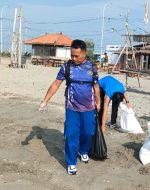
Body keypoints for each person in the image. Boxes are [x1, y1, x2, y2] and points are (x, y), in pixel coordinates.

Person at [39, 40, 101, 175]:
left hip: (89, 108)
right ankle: (71, 162)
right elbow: (56, 84)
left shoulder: (92, 67)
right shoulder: (66, 67)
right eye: (72, 55)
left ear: (84, 53)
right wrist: (45, 101)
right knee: (71, 135)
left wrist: (99, 101)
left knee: (88, 133)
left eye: (76, 56)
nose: (73, 58)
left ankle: (83, 150)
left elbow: (96, 86)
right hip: (72, 107)